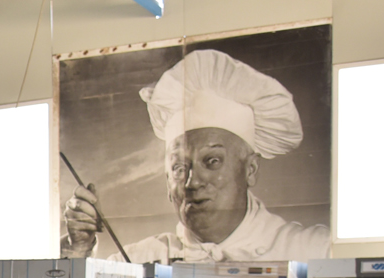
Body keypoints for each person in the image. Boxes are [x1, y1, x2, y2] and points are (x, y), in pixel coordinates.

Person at [64, 49, 331, 264]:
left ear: (250, 169)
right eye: (179, 167)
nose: (192, 182)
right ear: (167, 181)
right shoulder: (136, 260)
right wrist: (79, 249)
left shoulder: (315, 250)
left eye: (212, 161)